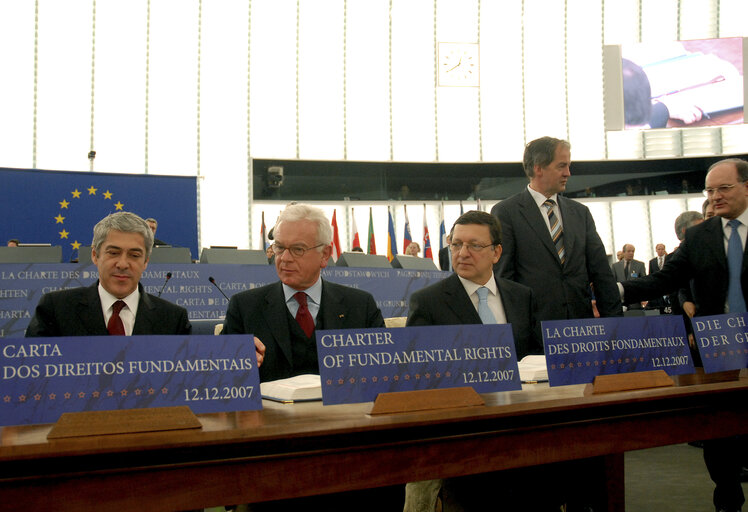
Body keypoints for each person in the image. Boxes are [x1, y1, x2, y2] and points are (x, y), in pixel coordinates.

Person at [621, 157, 748, 512]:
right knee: (720, 430)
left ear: (746, 187)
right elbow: (665, 279)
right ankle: (727, 501)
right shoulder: (699, 236)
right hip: (717, 345)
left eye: (724, 188)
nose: (716, 196)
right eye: (710, 190)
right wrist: (617, 290)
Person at [405, 211, 544, 512]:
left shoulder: (522, 296)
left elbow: (535, 360)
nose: (462, 253)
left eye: (474, 245)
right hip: (462, 438)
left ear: (496, 252)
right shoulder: (428, 302)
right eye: (456, 244)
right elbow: (418, 376)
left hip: (522, 430)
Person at [222, 203, 385, 383]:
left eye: (297, 249)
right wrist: (235, 363)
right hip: (269, 410)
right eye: (280, 247)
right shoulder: (245, 308)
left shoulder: (361, 306)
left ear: (324, 254)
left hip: (343, 410)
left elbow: (384, 376)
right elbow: (222, 379)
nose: (284, 258)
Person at [491, 136, 622, 320]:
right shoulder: (506, 212)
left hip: (581, 328)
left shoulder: (580, 213)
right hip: (535, 333)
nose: (568, 173)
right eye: (561, 166)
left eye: (568, 166)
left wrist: (615, 323)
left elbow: (601, 274)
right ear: (538, 168)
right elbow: (504, 279)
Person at [26, 212, 191, 337]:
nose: (123, 264)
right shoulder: (56, 310)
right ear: (95, 255)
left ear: (146, 261)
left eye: (134, 255)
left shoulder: (174, 320)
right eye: (113, 253)